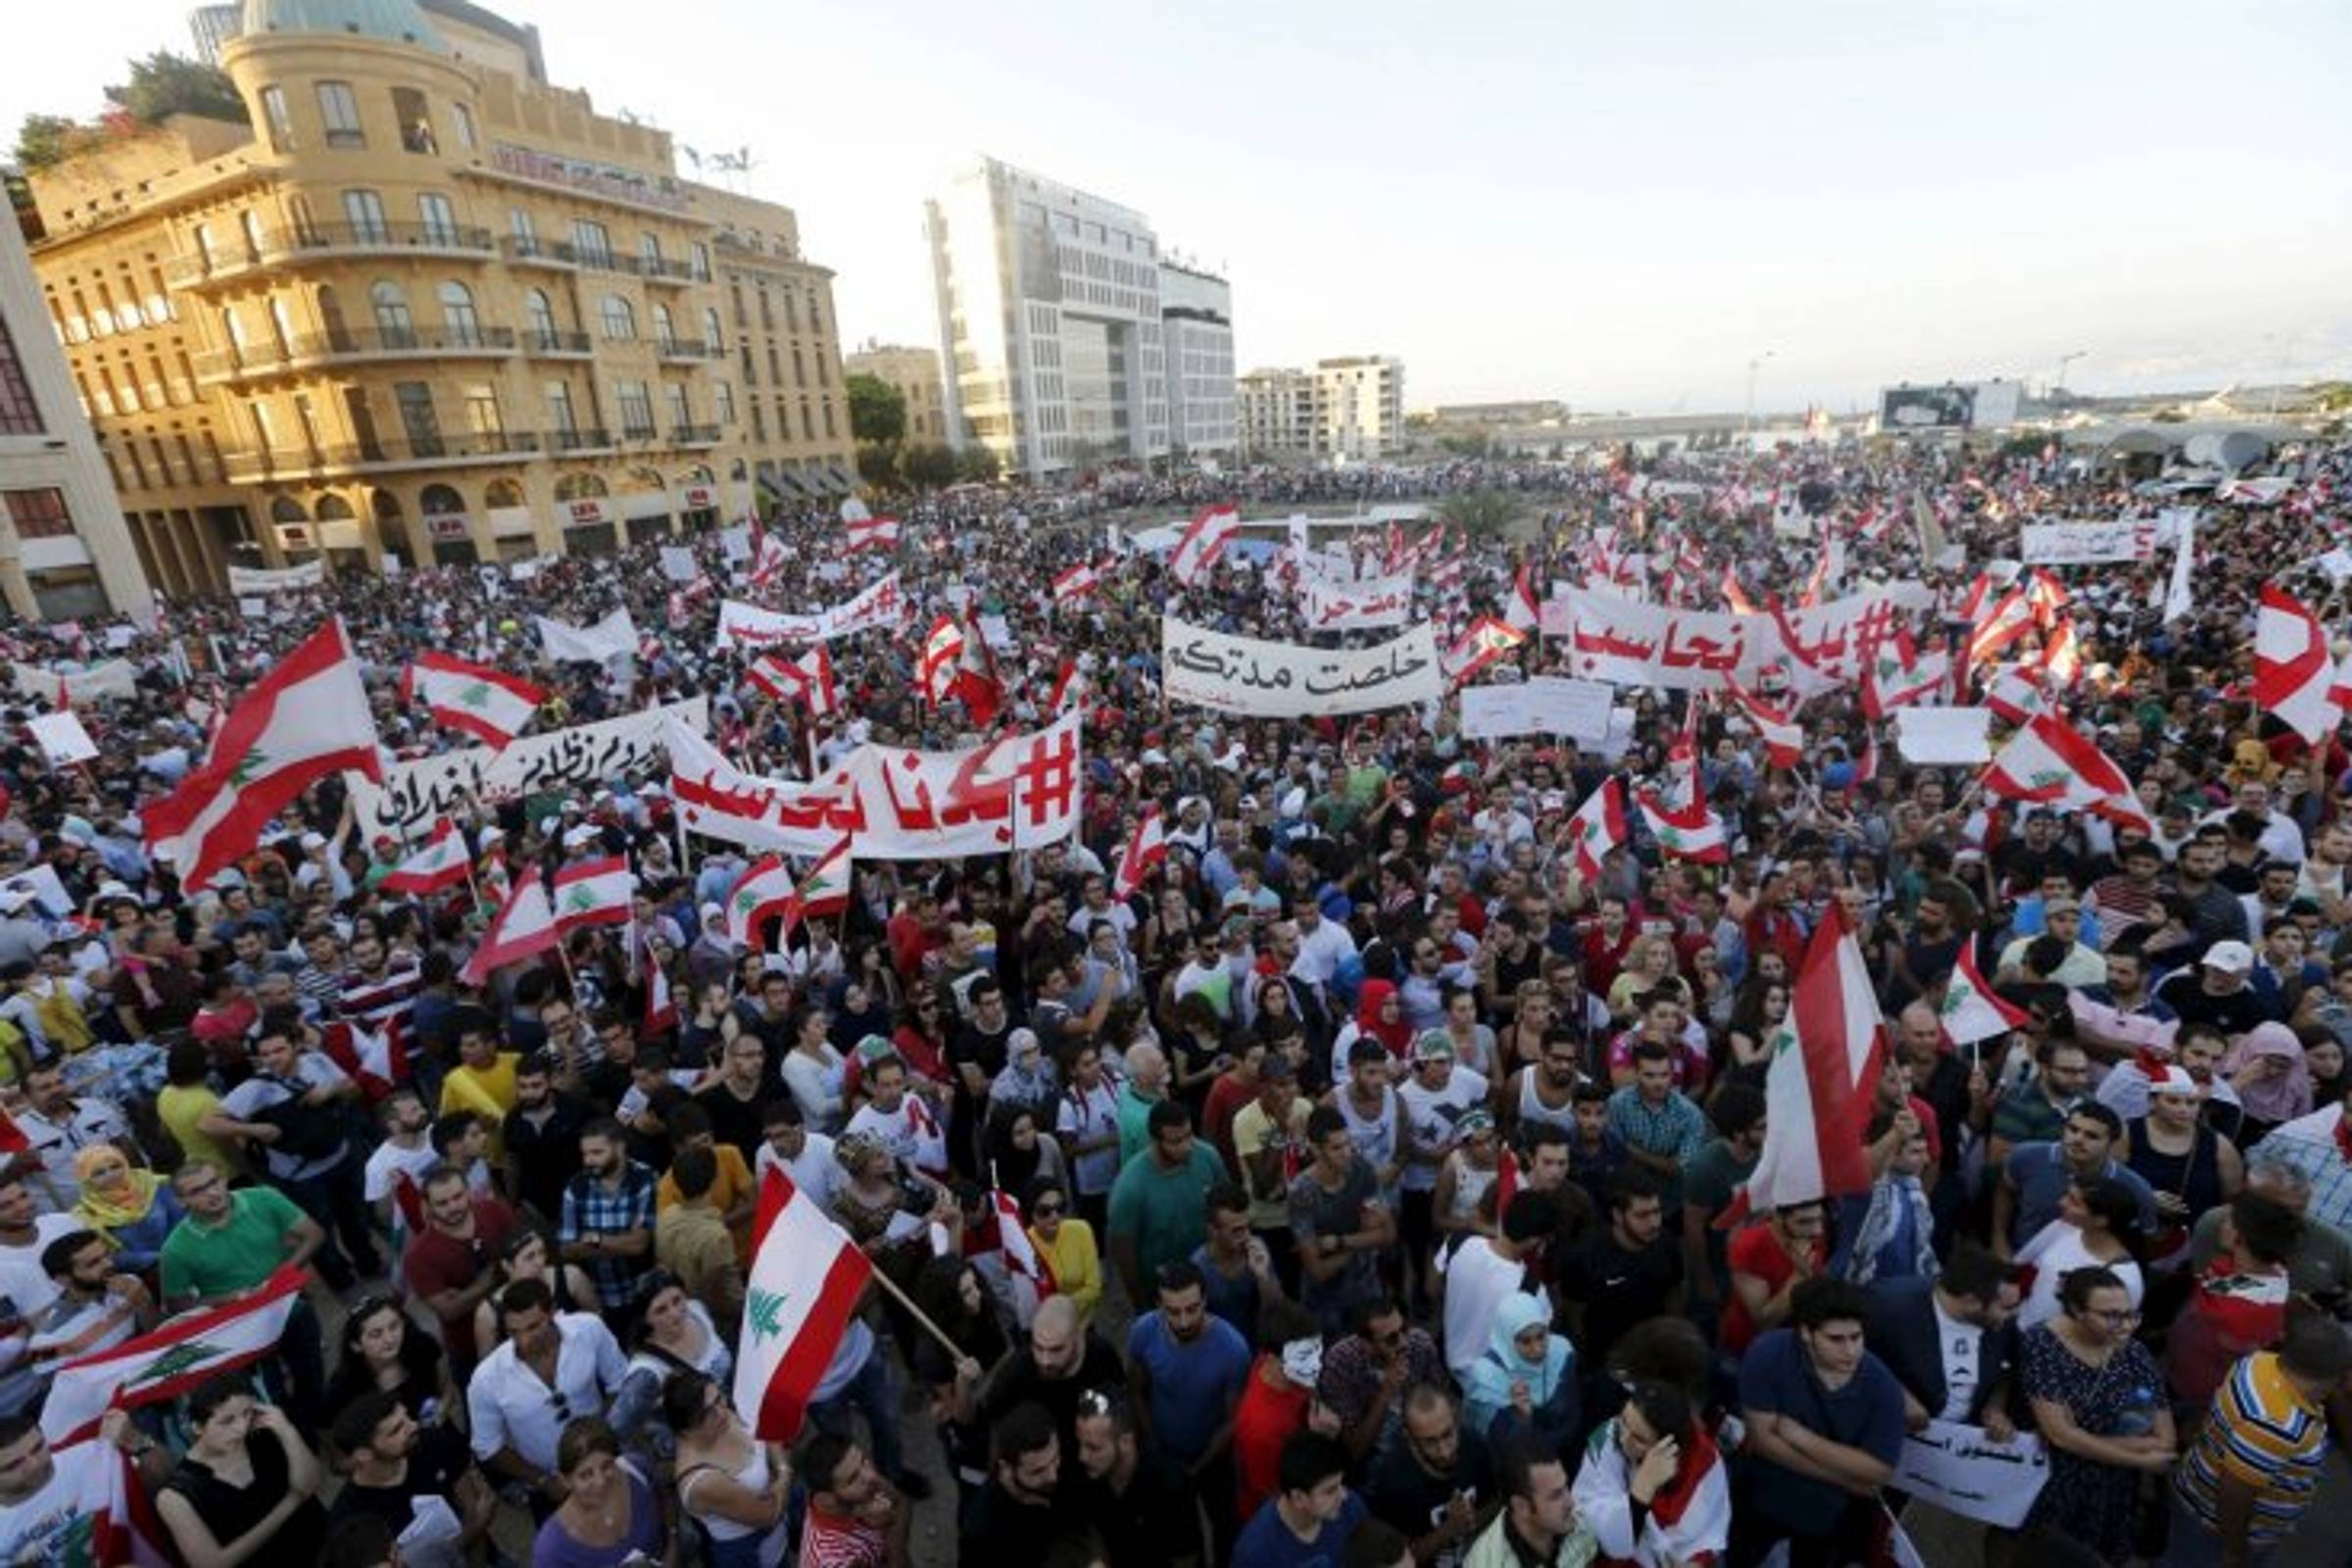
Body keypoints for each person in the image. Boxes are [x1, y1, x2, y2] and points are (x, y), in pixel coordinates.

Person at [1733, 1278, 1906, 1568]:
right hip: (1767, 1483)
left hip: (1833, 1510)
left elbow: (1877, 1471)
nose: (1850, 1351)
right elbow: (1763, 1442)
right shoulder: (1768, 1354)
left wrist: (1801, 1437)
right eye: (1836, 1339)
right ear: (1805, 1333)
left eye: (1856, 1337)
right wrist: (1848, 1478)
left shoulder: (1883, 1388)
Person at [2165, 1312, 2352, 1568]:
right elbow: (2234, 1495)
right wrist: (2235, 1549)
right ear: (2339, 1377)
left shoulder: (2258, 1362)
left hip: (2197, 1487)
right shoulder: (2277, 1426)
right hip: (2213, 1525)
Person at [2020, 1265, 2177, 1564]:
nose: (2125, 1326)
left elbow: (2162, 1439)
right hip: (2056, 1486)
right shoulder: (2041, 1344)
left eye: (2130, 1314)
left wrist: (2081, 1439)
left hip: (2112, 1492)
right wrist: (2138, 1457)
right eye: (2110, 1316)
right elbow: (2060, 1434)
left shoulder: (2134, 1355)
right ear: (2077, 1312)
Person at [467, 1276, 629, 1515]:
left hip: (608, 1461)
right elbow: (487, 1447)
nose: (524, 1340)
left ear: (553, 1313)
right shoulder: (486, 1379)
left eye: (533, 1327)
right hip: (551, 1487)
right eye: (513, 1332)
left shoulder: (589, 1329)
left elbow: (621, 1382)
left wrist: (604, 1436)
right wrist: (542, 1481)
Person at [1126, 1259, 1250, 1544]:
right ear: (1158, 1305)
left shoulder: (1232, 1348)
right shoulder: (1143, 1332)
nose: (1184, 1321)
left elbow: (1234, 1419)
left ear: (1205, 1300)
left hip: (1214, 1459)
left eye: (1192, 1309)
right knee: (1175, 1534)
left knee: (1226, 1530)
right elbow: (1135, 1391)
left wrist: (1200, 1466)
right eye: (1173, 1311)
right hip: (1164, 1454)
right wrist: (1154, 1445)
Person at [154, 1373, 328, 1568]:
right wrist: (291, 1502)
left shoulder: (269, 1436)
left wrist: (287, 1430)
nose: (241, 1428)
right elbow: (213, 1564)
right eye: (227, 1421)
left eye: (247, 1413)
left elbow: (313, 1482)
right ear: (197, 1427)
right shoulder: (176, 1495)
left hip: (324, 1552)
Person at [1862, 1240, 2021, 1435]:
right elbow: (1854, 1355)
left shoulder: (2001, 1323)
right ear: (1971, 1302)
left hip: (1961, 1442)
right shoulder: (1887, 1306)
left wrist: (1995, 1407)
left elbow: (2007, 1368)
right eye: (2006, 1308)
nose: (2014, 1314)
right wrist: (1897, 1395)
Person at [1571, 1378, 1733, 1568]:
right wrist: (1642, 1489)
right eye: (1623, 1421)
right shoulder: (1606, 1437)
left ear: (1669, 1447)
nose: (1623, 1438)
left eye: (1639, 1439)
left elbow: (1708, 1533)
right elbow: (1606, 1534)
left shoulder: (1705, 1460)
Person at [326, 1390, 497, 1566]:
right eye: (396, 1429)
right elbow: (478, 1520)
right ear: (363, 1454)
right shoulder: (351, 1520)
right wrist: (472, 1530)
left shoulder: (432, 1442)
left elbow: (473, 1508)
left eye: (407, 1417)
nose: (414, 1425)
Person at [1106, 1099, 1229, 1305]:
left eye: (1189, 1136)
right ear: (1155, 1140)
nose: (1187, 1146)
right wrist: (1140, 1302)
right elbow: (1124, 1251)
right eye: (1176, 1141)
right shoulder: (1130, 1187)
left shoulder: (1208, 1157)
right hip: (1164, 1291)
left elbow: (1227, 1206)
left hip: (1211, 1276)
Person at [665, 1369, 792, 1568]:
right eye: (706, 1414)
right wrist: (784, 1476)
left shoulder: (719, 1418)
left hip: (781, 1524)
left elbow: (764, 1427)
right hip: (752, 1554)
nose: (722, 1412)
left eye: (719, 1398)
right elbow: (768, 1517)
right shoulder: (703, 1481)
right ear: (686, 1429)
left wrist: (782, 1469)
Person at [402, 1160, 520, 1373]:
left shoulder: (495, 1210)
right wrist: (494, 1276)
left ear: (469, 1192)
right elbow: (449, 1311)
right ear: (428, 1206)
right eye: (442, 1203)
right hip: (470, 1345)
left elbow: (526, 1248)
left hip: (523, 1320)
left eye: (458, 1197)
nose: (453, 1207)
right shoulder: (418, 1255)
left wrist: (464, 1295)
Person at [1365, 1384, 1496, 1568]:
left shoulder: (1475, 1446)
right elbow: (1396, 1560)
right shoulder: (1391, 1481)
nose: (1444, 1451)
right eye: (1430, 1442)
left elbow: (1498, 1501)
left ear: (1456, 1417)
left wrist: (1471, 1520)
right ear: (1409, 1437)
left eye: (1448, 1434)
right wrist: (1449, 1529)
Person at [1070, 1386, 1202, 1568]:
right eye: (1080, 1444)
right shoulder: (1091, 1473)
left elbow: (1186, 1560)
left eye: (1094, 1448)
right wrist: (1098, 1559)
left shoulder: (1170, 1486)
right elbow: (1095, 1528)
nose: (1082, 1456)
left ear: (1125, 1441)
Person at [1291, 1102, 1396, 1332]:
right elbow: (1317, 1270)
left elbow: (1387, 1234)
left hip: (1367, 1287)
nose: (1347, 1153)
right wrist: (1363, 1242)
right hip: (1326, 1301)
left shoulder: (1362, 1170)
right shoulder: (1302, 1192)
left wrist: (1339, 1242)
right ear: (1316, 1150)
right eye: (1337, 1148)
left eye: (1348, 1143)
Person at [1318, 1293, 1447, 1466]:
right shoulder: (1341, 1364)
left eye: (1404, 1330)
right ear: (1366, 1344)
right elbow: (1355, 1450)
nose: (1404, 1343)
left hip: (1421, 1443)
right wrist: (1386, 1391)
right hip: (1374, 1458)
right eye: (1391, 1339)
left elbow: (1440, 1411)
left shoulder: (1420, 1345)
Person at [532, 1414, 668, 1566]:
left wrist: (673, 1546)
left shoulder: (636, 1469)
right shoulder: (551, 1548)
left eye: (607, 1466)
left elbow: (665, 1501)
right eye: (586, 1475)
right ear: (565, 1480)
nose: (601, 1482)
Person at [560, 1117, 659, 1310]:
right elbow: (567, 1249)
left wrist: (595, 1239)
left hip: (644, 1293)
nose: (588, 1160)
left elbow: (640, 1244)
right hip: (597, 1299)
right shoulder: (575, 1187)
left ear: (620, 1147)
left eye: (597, 1152)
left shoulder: (644, 1178)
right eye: (585, 1154)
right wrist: (623, 1241)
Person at [1232, 1430, 1369, 1568]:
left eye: (1341, 1483)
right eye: (1330, 1491)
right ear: (1298, 1498)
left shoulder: (1352, 1509)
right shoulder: (1256, 1551)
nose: (1344, 1495)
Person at [324, 1291, 459, 1431]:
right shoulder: (344, 1386)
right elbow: (329, 1430)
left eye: (394, 1326)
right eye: (376, 1334)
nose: (389, 1339)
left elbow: (447, 1385)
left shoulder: (422, 1345)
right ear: (356, 1345)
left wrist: (441, 1411)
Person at [1461, 1292, 1578, 1451]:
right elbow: (1492, 1445)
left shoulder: (1561, 1353)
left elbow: (1571, 1416)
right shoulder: (1486, 1381)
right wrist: (1520, 1419)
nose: (1537, 1349)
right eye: (1525, 1341)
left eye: (1541, 1336)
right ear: (1506, 1339)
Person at [1461, 1434, 1593, 1568]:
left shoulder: (1580, 1521)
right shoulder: (1485, 1563)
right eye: (1556, 1496)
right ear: (1521, 1506)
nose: (1571, 1503)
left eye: (1566, 1486)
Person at [970, 1401, 1078, 1559]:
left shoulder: (1067, 1458)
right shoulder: (984, 1529)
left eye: (1055, 1459)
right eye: (1037, 1471)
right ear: (1007, 1468)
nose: (1053, 1476)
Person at [67, 1143, 180, 1273]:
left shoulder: (152, 1184)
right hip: (145, 1274)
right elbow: (111, 1256)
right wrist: (159, 1259)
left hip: (186, 1254)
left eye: (116, 1167)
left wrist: (178, 1254)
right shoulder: (86, 1213)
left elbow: (181, 1219)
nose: (111, 1174)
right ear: (86, 1180)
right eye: (99, 1173)